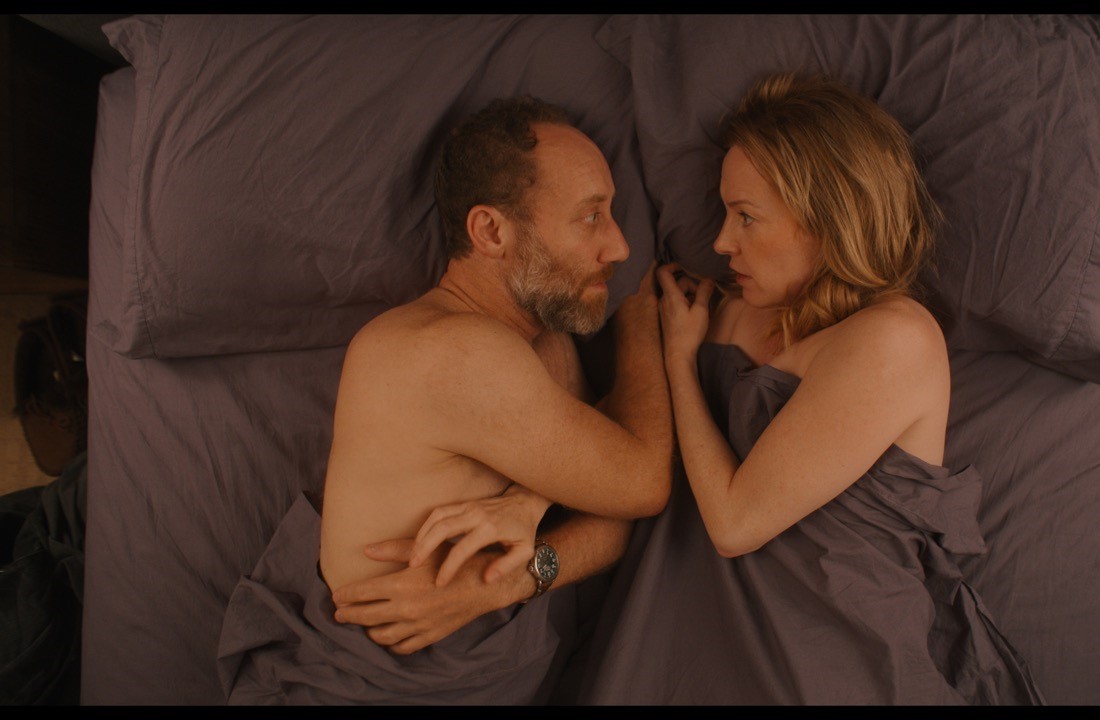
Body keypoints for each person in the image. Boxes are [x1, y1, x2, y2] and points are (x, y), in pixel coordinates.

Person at [374, 72, 1046, 705]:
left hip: (837, 658)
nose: (722, 241)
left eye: (746, 216)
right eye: (724, 213)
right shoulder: (718, 310)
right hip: (677, 658)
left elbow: (735, 521)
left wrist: (681, 362)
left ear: (828, 216)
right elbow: (632, 446)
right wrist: (529, 499)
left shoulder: (895, 339)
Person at [214, 95, 674, 705]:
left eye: (611, 213)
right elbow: (643, 481)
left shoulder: (539, 339)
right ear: (491, 231)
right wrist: (641, 316)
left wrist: (524, 531)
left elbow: (614, 503)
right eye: (591, 217)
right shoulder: (456, 354)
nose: (619, 247)